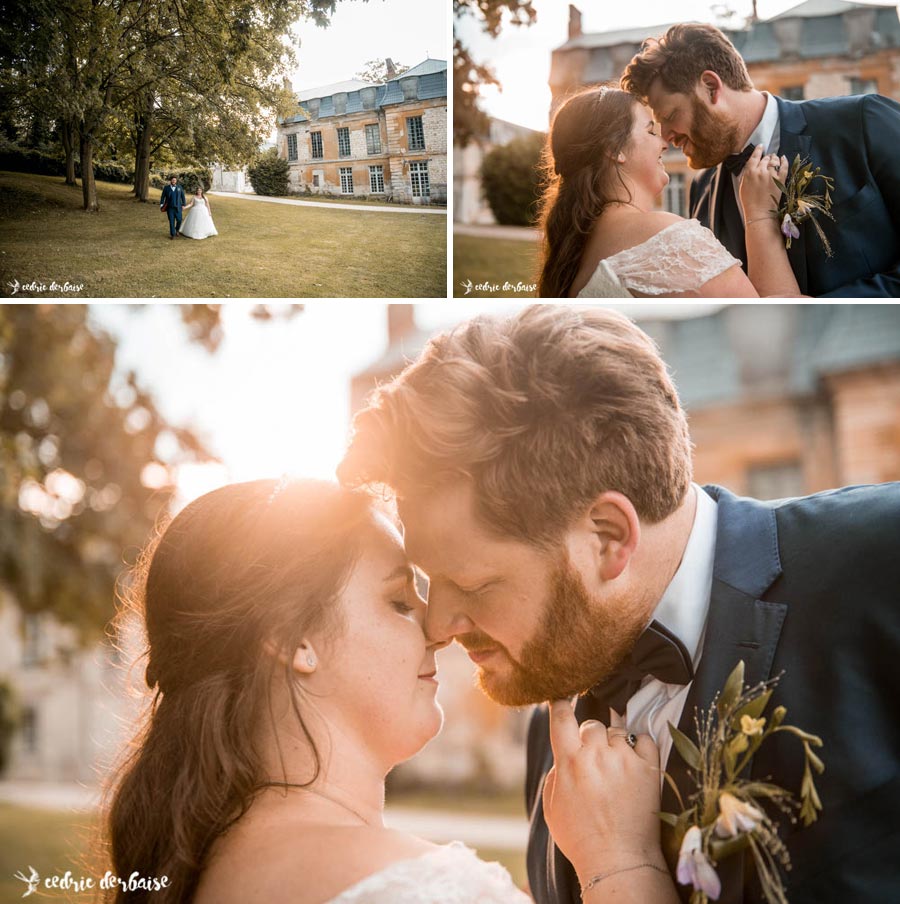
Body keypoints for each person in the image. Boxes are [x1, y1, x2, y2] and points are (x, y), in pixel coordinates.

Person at [338, 305, 900, 904]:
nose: (436, 626)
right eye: (427, 579)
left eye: (472, 584)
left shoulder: (880, 563)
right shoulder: (550, 733)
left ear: (608, 536)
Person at [103, 478, 677, 904]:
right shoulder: (427, 890)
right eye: (400, 601)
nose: (436, 628)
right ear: (293, 640)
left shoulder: (205, 869)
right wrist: (621, 864)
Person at [621, 23, 900, 297]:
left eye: (669, 117)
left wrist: (821, 309)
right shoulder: (702, 192)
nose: (667, 138)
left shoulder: (863, 122)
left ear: (710, 87)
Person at [536, 86, 799, 298]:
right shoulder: (662, 237)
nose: (664, 143)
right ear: (615, 149)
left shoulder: (578, 253)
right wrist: (760, 215)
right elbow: (777, 320)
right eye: (650, 130)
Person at [159, 176, 187, 240]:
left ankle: (177, 230)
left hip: (178, 207)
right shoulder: (166, 188)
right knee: (171, 221)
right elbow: (162, 197)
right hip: (170, 208)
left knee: (179, 220)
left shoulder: (179, 187)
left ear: (176, 181)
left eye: (175, 180)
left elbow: (183, 196)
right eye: (173, 180)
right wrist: (161, 204)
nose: (174, 181)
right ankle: (172, 234)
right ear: (170, 181)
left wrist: (184, 204)